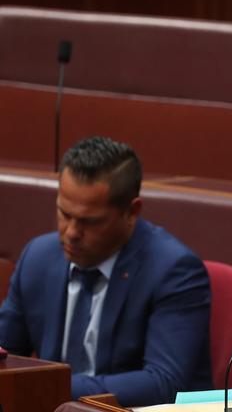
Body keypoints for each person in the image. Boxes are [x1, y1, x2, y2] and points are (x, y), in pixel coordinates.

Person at [0, 136, 213, 407]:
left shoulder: (175, 271)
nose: (72, 233)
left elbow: (163, 383)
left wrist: (51, 383)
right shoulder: (38, 257)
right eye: (64, 214)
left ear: (132, 212)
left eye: (90, 221)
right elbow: (5, 353)